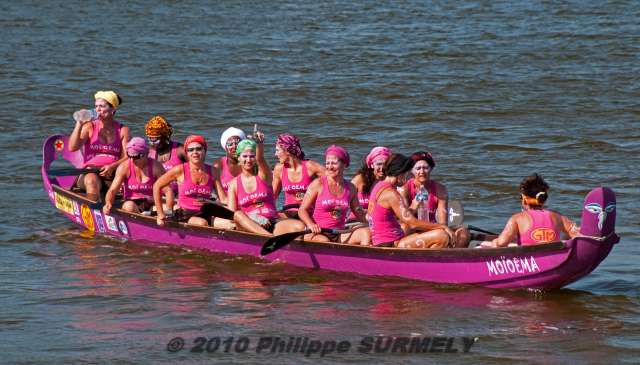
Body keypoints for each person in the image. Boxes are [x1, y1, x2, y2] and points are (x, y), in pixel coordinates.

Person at [368, 154, 457, 248]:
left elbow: (405, 217)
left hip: (384, 240)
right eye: (407, 174)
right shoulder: (391, 194)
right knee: (442, 236)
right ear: (400, 173)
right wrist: (443, 227)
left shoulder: (378, 186)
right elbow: (413, 223)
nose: (408, 177)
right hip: (391, 242)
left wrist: (413, 207)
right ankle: (424, 261)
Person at [480, 173, 580, 248]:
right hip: (553, 257)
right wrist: (564, 240)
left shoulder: (517, 219)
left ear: (524, 199)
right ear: (543, 199)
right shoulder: (558, 217)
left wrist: (493, 243)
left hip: (529, 261)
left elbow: (501, 243)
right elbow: (578, 234)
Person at [297, 145, 370, 245]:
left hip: (339, 233)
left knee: (365, 233)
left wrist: (376, 222)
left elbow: (360, 214)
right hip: (318, 233)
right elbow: (302, 210)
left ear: (344, 164)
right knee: (325, 242)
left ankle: (363, 259)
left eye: (334, 163)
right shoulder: (318, 184)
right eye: (327, 163)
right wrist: (311, 224)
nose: (329, 167)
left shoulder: (351, 188)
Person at [153, 135, 228, 228]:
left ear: (205, 151)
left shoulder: (213, 171)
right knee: (202, 223)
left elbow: (223, 198)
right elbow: (157, 185)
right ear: (187, 153)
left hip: (207, 212)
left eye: (198, 149)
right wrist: (160, 214)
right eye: (191, 150)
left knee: (231, 223)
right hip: (185, 213)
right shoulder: (179, 170)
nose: (195, 152)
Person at [68, 90, 130, 201]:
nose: (98, 109)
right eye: (96, 106)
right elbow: (72, 147)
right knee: (91, 181)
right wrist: (79, 124)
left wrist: (112, 167)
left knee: (127, 187)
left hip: (112, 173)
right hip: (89, 173)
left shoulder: (123, 130)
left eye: (102, 106)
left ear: (113, 109)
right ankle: (94, 212)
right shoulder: (89, 126)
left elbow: (127, 157)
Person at [399, 151, 470, 247]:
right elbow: (405, 220)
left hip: (432, 228)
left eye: (425, 168)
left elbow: (442, 222)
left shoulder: (440, 190)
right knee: (404, 227)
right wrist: (413, 206)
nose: (422, 172)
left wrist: (444, 229)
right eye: (418, 168)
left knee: (464, 233)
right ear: (412, 170)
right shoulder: (405, 189)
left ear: (431, 169)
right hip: (412, 230)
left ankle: (452, 258)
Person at [227, 134, 281, 235]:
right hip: (251, 224)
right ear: (238, 158)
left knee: (298, 226)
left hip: (273, 222)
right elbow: (231, 215)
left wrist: (259, 143)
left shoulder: (264, 175)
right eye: (245, 156)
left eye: (252, 156)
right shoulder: (234, 184)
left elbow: (261, 159)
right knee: (238, 214)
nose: (248, 160)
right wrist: (254, 217)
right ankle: (268, 237)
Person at [102, 137, 171, 215]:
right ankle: (143, 219)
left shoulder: (156, 167)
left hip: (153, 204)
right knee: (129, 206)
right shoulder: (124, 167)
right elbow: (112, 191)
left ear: (146, 153)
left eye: (136, 157)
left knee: (173, 208)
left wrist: (168, 211)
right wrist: (108, 203)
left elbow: (168, 191)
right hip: (132, 204)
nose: (132, 160)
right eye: (129, 156)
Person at [271, 133, 325, 218]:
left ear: (287, 150)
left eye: (277, 150)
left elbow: (334, 180)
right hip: (288, 213)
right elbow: (272, 198)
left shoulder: (311, 167)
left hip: (308, 214)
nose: (275, 154)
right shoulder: (279, 169)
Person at [145, 116, 187, 197]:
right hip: (156, 195)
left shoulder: (180, 150)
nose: (152, 143)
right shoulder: (148, 152)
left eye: (155, 140)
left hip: (178, 194)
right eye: (150, 139)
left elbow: (196, 170)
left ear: (165, 136)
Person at [349, 146, 392, 221]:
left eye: (385, 164)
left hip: (380, 220)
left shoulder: (391, 180)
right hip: (356, 220)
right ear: (372, 165)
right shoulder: (359, 180)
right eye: (379, 164)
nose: (382, 168)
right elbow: (344, 200)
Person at [213, 127, 246, 204]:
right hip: (225, 204)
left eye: (237, 143)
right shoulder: (219, 165)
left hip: (245, 203)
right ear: (225, 147)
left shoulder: (249, 163)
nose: (234, 146)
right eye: (230, 144)